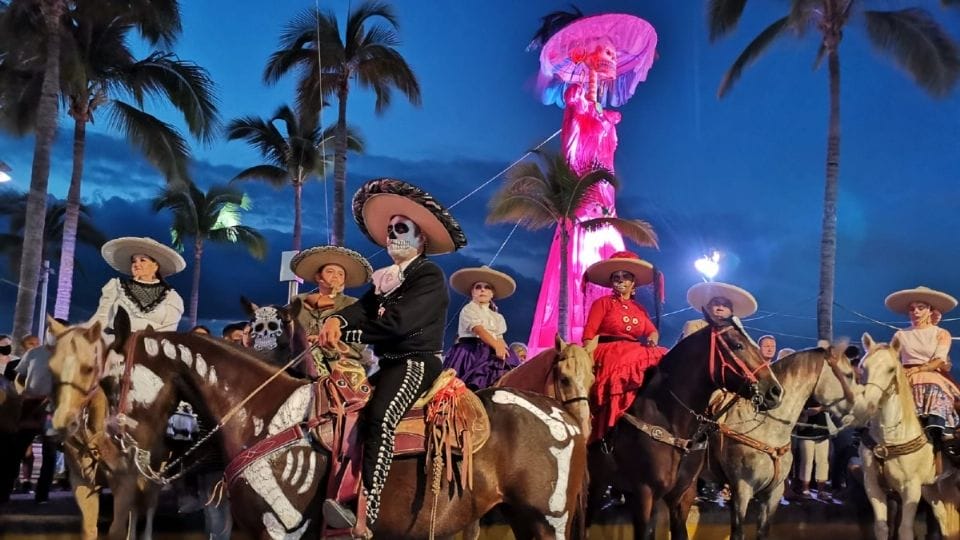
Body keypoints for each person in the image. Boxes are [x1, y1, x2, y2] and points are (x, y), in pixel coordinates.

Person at [318, 178, 466, 536]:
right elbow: (362, 310)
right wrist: (336, 319)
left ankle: (371, 508)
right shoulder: (385, 279)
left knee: (382, 417)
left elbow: (399, 325)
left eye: (402, 229)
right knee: (345, 411)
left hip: (416, 361)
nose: (392, 235)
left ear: (421, 239)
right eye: (389, 230)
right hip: (389, 363)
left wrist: (347, 332)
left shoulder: (429, 274)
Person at [582, 251, 667, 443]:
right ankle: (610, 425)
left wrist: (653, 338)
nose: (620, 281)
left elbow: (651, 330)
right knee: (627, 365)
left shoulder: (639, 309)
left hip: (634, 350)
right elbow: (589, 335)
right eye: (616, 277)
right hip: (608, 351)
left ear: (633, 282)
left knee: (663, 356)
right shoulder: (602, 303)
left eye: (625, 277)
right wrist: (587, 360)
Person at [884, 286, 959, 448]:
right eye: (912, 309)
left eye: (920, 308)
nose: (915, 312)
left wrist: (918, 370)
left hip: (932, 371)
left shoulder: (941, 333)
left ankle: (941, 428)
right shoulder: (900, 334)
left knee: (932, 382)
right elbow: (892, 357)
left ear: (930, 310)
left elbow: (939, 359)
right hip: (904, 373)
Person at [289, 246, 373, 376]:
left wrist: (327, 342)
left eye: (340, 274)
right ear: (318, 277)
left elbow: (360, 338)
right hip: (296, 355)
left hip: (337, 360)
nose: (336, 277)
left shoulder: (352, 304)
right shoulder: (299, 300)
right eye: (330, 272)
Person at [442, 266, 521, 390]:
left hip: (493, 350)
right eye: (478, 287)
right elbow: (479, 329)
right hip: (471, 352)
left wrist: (504, 350)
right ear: (472, 292)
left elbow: (500, 337)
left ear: (492, 293)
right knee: (467, 385)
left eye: (486, 287)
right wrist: (496, 345)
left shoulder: (497, 316)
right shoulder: (469, 309)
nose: (482, 290)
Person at [90, 236, 186, 333]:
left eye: (142, 260)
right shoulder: (115, 286)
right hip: (116, 342)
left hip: (155, 345)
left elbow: (169, 330)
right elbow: (101, 317)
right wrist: (84, 333)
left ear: (155, 266)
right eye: (134, 261)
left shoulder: (172, 297)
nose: (136, 264)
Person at [679, 281, 759, 341]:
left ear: (731, 312)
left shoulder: (734, 330)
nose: (720, 308)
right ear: (708, 307)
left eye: (725, 305)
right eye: (716, 304)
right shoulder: (694, 325)